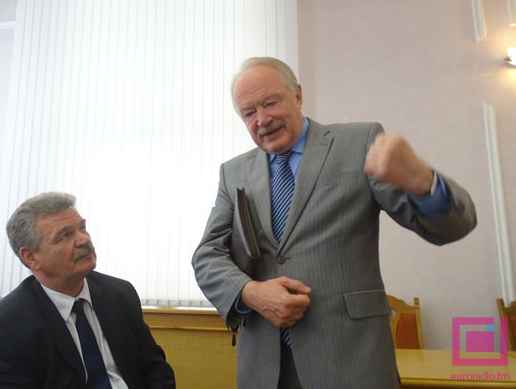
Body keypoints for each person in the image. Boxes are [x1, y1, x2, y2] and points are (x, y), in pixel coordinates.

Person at [192, 57, 476, 389]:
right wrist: (251, 293)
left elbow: (453, 226)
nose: (262, 120)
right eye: (249, 113)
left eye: (270, 103)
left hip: (352, 362)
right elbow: (207, 257)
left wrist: (424, 185)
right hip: (265, 369)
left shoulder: (359, 142)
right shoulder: (233, 172)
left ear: (297, 95)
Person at [0, 192, 175, 389]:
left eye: (82, 228)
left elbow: (155, 367)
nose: (84, 239)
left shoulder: (119, 293)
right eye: (65, 235)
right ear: (31, 257)